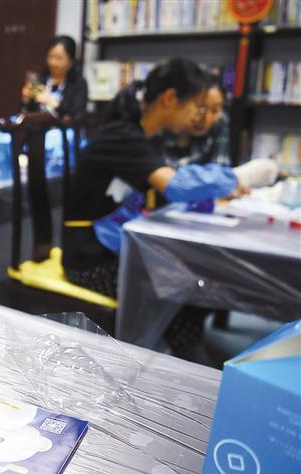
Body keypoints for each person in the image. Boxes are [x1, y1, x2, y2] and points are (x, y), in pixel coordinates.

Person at [61, 58, 277, 299]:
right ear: (170, 99)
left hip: (110, 247)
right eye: (197, 106)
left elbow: (164, 191)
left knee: (193, 279)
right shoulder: (123, 136)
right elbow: (177, 186)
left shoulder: (140, 135)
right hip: (90, 260)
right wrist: (241, 176)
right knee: (190, 287)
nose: (197, 116)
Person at [153, 72, 230, 168]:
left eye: (215, 110)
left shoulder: (220, 121)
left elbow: (220, 171)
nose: (206, 118)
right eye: (200, 108)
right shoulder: (157, 126)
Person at [21, 35, 88, 119]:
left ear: (71, 60)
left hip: (63, 127)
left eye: (59, 58)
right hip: (37, 126)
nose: (53, 62)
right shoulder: (40, 78)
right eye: (50, 56)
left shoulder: (78, 83)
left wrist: (52, 103)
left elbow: (77, 115)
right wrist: (25, 100)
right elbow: (25, 112)